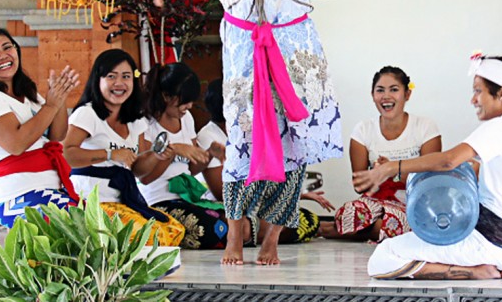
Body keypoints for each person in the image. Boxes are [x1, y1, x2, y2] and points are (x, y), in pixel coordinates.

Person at [142, 0, 343, 265]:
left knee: (294, 149)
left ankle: (271, 239)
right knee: (241, 145)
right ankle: (236, 233)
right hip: (245, 55)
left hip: (296, 57)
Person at [354, 54, 502, 280]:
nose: (473, 100)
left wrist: (390, 168)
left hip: (492, 243)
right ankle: (492, 263)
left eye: (478, 91)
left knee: (384, 256)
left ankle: (471, 271)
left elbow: (449, 160)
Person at [63, 49, 185, 247]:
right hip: (90, 203)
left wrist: (158, 155)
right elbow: (67, 154)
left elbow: (138, 170)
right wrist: (110, 154)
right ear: (98, 80)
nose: (119, 83)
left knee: (173, 230)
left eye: (126, 77)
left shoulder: (135, 120)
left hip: (122, 201)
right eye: (111, 76)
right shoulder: (87, 113)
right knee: (151, 238)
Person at [0, 26, 80, 227]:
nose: (3, 54)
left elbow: (56, 136)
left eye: (8, 47)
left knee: (98, 230)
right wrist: (51, 105)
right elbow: (16, 144)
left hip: (50, 190)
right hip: (17, 196)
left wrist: (59, 100)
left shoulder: (28, 94)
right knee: (80, 230)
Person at [196, 79, 334, 246]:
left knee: (303, 218)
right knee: (271, 224)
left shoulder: (243, 132)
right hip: (226, 208)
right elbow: (221, 193)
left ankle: (325, 228)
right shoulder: (208, 135)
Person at [320, 66, 441, 242]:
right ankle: (350, 229)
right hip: (376, 201)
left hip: (414, 203)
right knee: (348, 214)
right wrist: (375, 175)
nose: (386, 96)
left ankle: (333, 231)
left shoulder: (425, 127)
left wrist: (392, 171)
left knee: (390, 223)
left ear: (407, 94)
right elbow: (359, 186)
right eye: (380, 90)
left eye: (394, 89)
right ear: (373, 95)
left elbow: (429, 181)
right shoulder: (363, 130)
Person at [133, 62, 231, 250]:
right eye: (184, 100)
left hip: (188, 199)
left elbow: (191, 170)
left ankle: (247, 234)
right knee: (211, 227)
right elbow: (145, 177)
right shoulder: (144, 122)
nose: (189, 106)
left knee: (237, 218)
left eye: (191, 100)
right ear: (165, 96)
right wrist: (173, 150)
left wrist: (210, 154)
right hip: (157, 202)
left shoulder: (186, 118)